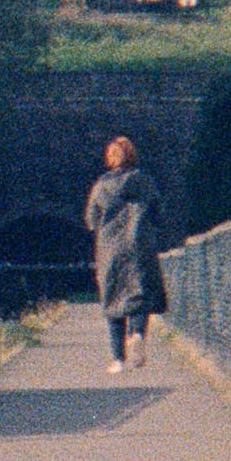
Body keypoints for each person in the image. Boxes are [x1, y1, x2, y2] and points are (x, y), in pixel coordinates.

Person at [84, 136, 166, 374]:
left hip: (110, 248)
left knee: (113, 300)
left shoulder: (101, 186)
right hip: (139, 245)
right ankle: (137, 334)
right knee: (139, 295)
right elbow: (158, 214)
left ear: (110, 158)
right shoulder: (144, 182)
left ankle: (118, 360)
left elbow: (91, 220)